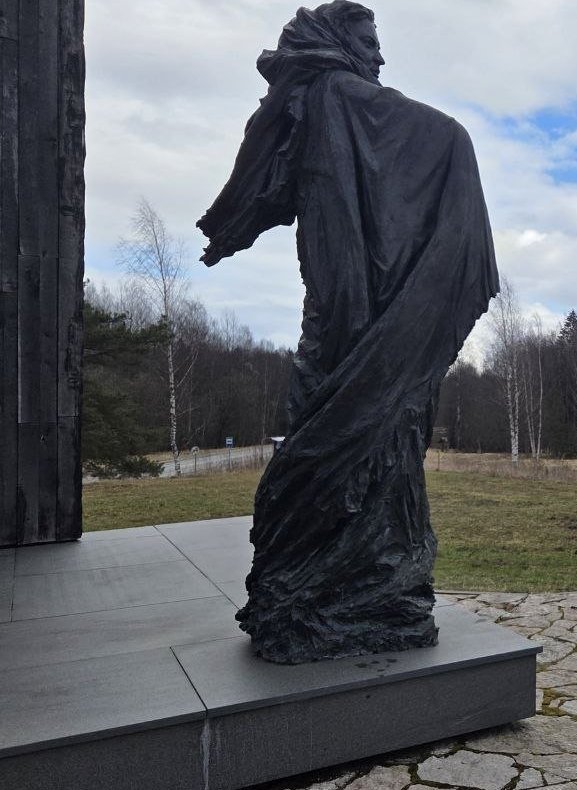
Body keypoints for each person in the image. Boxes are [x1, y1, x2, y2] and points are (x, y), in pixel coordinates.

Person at [197, 2, 498, 663]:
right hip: (349, 311)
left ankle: (352, 586)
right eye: (369, 42)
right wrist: (455, 144)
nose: (381, 57)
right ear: (338, 42)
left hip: (351, 308)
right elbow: (435, 133)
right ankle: (326, 589)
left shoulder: (313, 98)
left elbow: (267, 177)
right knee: (356, 424)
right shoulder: (332, 95)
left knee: (368, 430)